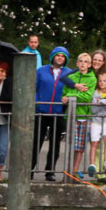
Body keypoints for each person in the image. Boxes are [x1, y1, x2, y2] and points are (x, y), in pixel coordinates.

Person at [33, 46, 73, 181]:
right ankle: (30, 169)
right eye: (58, 55)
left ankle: (50, 171)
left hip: (58, 113)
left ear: (66, 59)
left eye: (63, 56)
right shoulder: (41, 71)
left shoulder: (69, 73)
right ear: (52, 57)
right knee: (36, 142)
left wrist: (66, 100)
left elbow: (71, 90)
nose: (60, 58)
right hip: (41, 112)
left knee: (55, 144)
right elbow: (34, 88)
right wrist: (37, 102)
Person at [62, 52, 96, 177]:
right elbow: (64, 92)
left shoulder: (92, 79)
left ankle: (74, 171)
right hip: (70, 115)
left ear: (89, 65)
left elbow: (87, 97)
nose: (83, 64)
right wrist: (65, 97)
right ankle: (68, 171)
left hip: (83, 116)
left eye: (86, 62)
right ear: (77, 63)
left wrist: (70, 96)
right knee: (70, 144)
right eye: (81, 61)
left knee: (79, 147)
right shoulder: (72, 77)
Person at [87, 73, 106, 180]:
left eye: (104, 81)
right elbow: (93, 110)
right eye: (100, 81)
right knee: (95, 142)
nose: (102, 83)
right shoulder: (95, 93)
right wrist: (100, 103)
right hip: (96, 122)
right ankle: (92, 164)